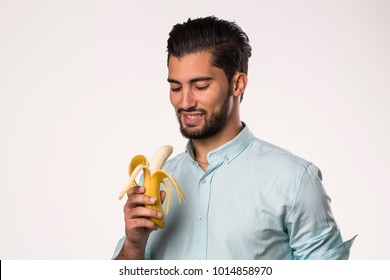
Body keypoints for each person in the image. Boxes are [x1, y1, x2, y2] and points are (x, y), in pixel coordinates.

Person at [113, 16, 355, 260]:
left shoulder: (294, 181)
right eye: (176, 87)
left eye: (200, 86)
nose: (185, 102)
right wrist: (134, 245)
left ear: (238, 84)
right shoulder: (159, 184)